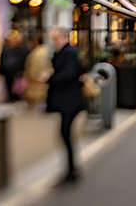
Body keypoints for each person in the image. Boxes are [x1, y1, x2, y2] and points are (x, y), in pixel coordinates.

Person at [43, 27, 86, 184]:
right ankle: (71, 168)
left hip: (69, 100)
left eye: (55, 39)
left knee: (65, 133)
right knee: (65, 133)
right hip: (67, 100)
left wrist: (49, 78)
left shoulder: (69, 53)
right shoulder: (65, 52)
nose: (53, 42)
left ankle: (71, 170)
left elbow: (68, 74)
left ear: (63, 38)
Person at [23, 33, 51, 109]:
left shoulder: (36, 54)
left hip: (38, 84)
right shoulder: (45, 50)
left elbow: (33, 70)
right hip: (44, 82)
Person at [0, 30, 28, 102]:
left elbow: (24, 60)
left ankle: (18, 99)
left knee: (19, 87)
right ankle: (11, 99)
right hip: (8, 72)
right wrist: (1, 70)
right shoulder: (5, 50)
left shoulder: (21, 49)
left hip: (18, 72)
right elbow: (2, 60)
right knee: (9, 86)